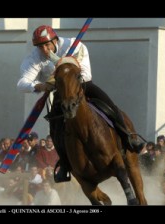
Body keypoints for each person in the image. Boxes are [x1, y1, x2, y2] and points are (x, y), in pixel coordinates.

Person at [18, 25, 145, 183]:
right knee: (55, 127)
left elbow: (85, 74)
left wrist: (65, 79)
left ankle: (129, 137)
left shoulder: (74, 45)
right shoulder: (34, 58)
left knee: (110, 105)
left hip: (82, 86)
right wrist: (39, 86)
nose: (44, 49)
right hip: (60, 94)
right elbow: (22, 83)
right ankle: (64, 164)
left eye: (47, 44)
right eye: (40, 46)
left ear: (55, 40)